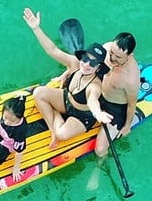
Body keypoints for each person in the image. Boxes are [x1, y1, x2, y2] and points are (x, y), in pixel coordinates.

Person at [24, 8, 112, 150]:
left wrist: (98, 113)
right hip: (66, 99)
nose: (87, 64)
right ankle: (52, 129)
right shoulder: (75, 63)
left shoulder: (94, 86)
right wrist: (36, 28)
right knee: (38, 93)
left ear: (99, 68)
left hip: (81, 116)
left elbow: (93, 101)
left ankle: (56, 124)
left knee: (62, 134)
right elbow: (52, 50)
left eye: (93, 63)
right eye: (85, 58)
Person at [96, 32, 140, 159]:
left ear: (129, 56)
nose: (112, 58)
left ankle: (97, 173)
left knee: (100, 150)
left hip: (115, 109)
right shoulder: (106, 49)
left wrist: (127, 126)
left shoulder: (130, 78)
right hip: (99, 92)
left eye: (118, 57)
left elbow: (132, 105)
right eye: (112, 52)